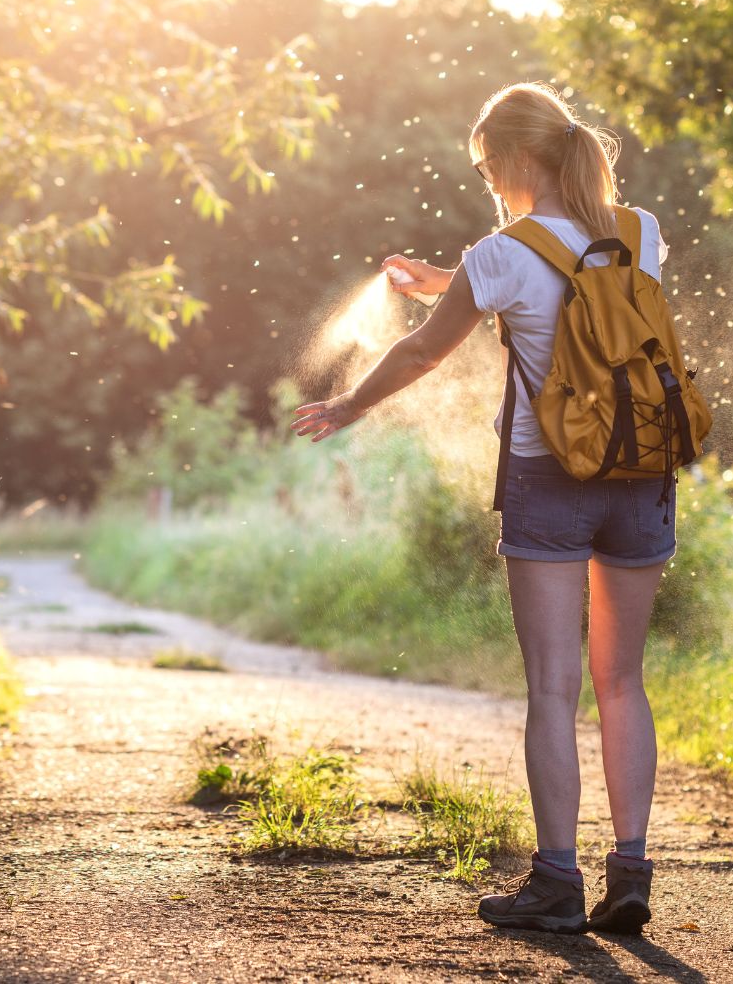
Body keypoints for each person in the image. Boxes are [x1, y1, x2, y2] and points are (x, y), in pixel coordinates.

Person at [290, 82, 672, 936]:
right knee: (622, 681)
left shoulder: (500, 252)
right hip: (643, 473)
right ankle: (633, 871)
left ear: (510, 160)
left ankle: (556, 883)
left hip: (552, 478)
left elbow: (427, 351)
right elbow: (573, 286)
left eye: (486, 168)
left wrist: (348, 405)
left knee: (552, 685)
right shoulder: (642, 231)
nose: (488, 185)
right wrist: (453, 278)